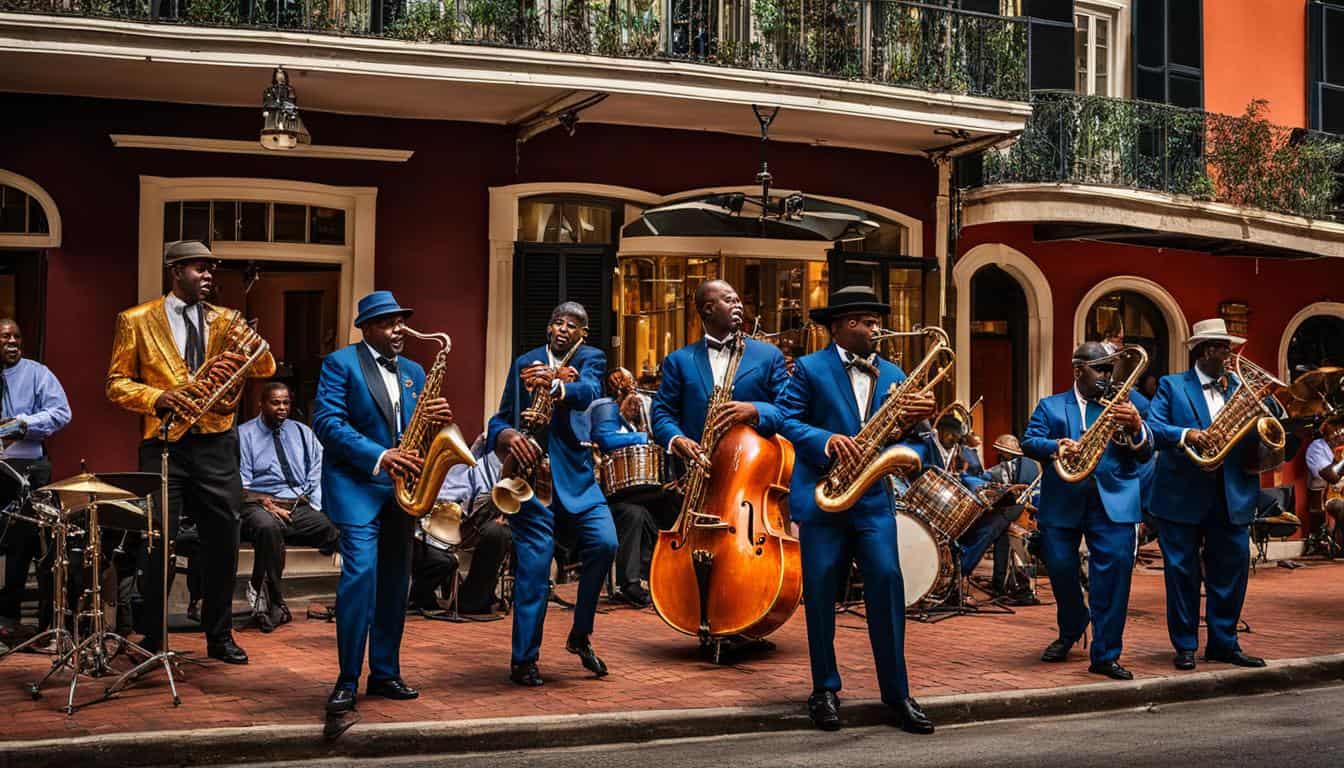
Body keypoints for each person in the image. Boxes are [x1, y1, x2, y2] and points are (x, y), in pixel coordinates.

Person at [105, 239, 276, 662]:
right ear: (175, 271)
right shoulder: (136, 319)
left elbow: (265, 366)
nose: (208, 276)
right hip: (164, 444)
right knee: (156, 542)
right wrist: (159, 397)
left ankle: (219, 635)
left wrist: (253, 347)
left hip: (218, 442)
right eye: (199, 268)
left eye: (210, 270)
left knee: (223, 542)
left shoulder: (228, 319)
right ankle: (153, 636)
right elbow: (115, 383)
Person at [777, 285, 936, 734]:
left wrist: (916, 438)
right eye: (866, 322)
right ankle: (824, 689)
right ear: (841, 326)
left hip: (872, 503)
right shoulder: (809, 369)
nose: (875, 329)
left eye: (876, 321)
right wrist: (824, 440)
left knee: (887, 585)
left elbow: (920, 440)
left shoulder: (896, 374)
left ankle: (897, 693)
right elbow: (786, 420)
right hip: (824, 498)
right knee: (822, 596)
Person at [314, 291, 454, 714]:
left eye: (402, 322)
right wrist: (379, 456)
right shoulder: (340, 363)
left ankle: (385, 673)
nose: (400, 330)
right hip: (357, 486)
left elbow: (414, 433)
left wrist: (435, 422)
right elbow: (326, 422)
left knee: (397, 583)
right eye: (390, 323)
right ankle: (345, 679)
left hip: (401, 490)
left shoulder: (414, 370)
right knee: (361, 577)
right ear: (367, 328)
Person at [488, 301, 616, 687]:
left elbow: (591, 389)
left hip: (577, 478)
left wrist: (556, 386)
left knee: (606, 543)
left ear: (582, 333)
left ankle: (580, 634)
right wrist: (506, 435)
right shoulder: (524, 361)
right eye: (556, 322)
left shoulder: (591, 358)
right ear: (548, 328)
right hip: (531, 483)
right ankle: (523, 660)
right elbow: (501, 415)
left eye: (572, 324)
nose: (562, 328)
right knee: (533, 571)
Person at [1147, 318, 1276, 671]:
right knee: (1182, 573)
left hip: (1232, 493)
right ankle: (1186, 645)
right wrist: (1188, 434)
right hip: (1181, 494)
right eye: (1223, 348)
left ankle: (1224, 643)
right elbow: (1155, 428)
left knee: (1231, 573)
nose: (1230, 355)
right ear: (1205, 351)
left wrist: (1267, 400)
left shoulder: (1238, 386)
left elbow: (1272, 420)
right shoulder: (1172, 386)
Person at [1020, 341, 1152, 681]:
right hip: (1063, 501)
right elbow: (1029, 441)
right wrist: (1056, 446)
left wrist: (1137, 427)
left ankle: (1106, 655)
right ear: (1078, 370)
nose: (1108, 377)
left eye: (1111, 370)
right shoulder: (1050, 406)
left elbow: (1148, 449)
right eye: (1101, 370)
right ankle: (1074, 623)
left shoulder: (1130, 402)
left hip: (1114, 502)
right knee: (1061, 570)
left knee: (1113, 579)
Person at [651, 279, 789, 481]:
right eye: (729, 301)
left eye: (739, 301)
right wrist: (676, 438)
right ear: (708, 309)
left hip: (754, 472)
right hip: (697, 474)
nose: (739, 306)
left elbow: (789, 408)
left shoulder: (769, 355)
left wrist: (755, 410)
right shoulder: (678, 360)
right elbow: (662, 412)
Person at [237, 382, 339, 632]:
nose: (282, 408)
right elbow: (240, 485)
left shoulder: (303, 432)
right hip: (259, 503)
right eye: (275, 402)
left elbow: (317, 469)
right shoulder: (244, 435)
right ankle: (274, 600)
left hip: (297, 505)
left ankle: (348, 600)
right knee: (268, 528)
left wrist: (315, 505)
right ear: (261, 404)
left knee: (336, 530)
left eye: (286, 403)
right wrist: (266, 502)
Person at [0, 318, 72, 634]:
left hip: (28, 470)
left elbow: (61, 413)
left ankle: (12, 618)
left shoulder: (37, 373)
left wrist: (20, 425)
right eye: (4, 337)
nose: (12, 341)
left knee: (25, 543)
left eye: (16, 336)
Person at [589, 369, 676, 608]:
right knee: (636, 512)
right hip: (607, 490)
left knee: (663, 505)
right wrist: (642, 438)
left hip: (634, 492)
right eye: (630, 387)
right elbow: (604, 439)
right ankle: (630, 584)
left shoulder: (630, 421)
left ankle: (660, 575)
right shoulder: (604, 407)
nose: (636, 403)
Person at [409, 446, 513, 618]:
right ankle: (419, 597)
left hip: (464, 525)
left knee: (498, 533)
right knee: (443, 561)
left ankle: (474, 600)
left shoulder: (479, 468)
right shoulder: (466, 468)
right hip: (430, 528)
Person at [959, 434, 1040, 596]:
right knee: (1001, 531)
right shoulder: (1026, 466)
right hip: (1014, 511)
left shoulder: (1022, 467)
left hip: (1022, 511)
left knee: (994, 526)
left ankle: (967, 571)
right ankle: (1000, 584)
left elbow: (1034, 492)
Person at [1305, 417, 1344, 552]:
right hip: (1330, 497)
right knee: (1340, 506)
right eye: (1334, 429)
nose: (1338, 433)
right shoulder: (1317, 447)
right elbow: (1331, 477)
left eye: (1340, 429)